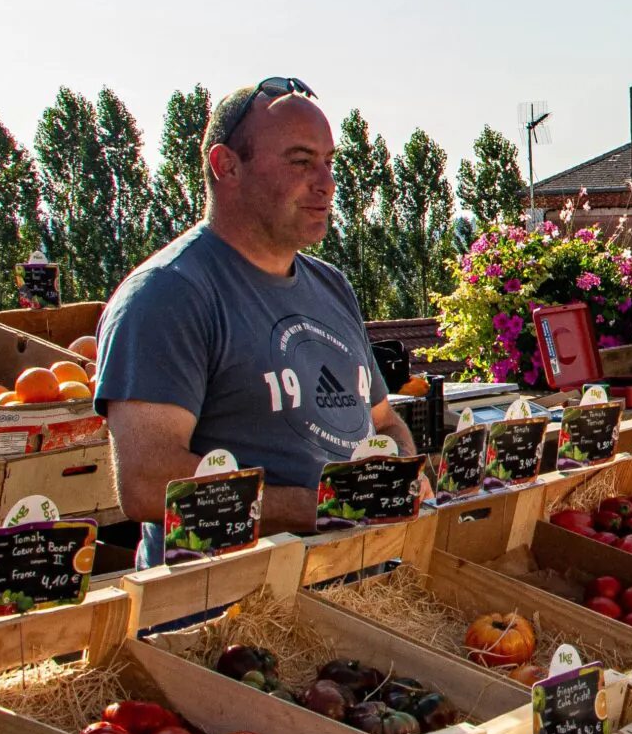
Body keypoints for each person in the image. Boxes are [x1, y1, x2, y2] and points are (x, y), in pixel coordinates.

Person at [96, 78, 420, 557]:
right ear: (226, 166)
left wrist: (402, 477)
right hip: (226, 611)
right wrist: (320, 508)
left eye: (329, 163)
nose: (327, 184)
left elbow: (383, 421)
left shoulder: (331, 285)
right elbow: (147, 482)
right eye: (300, 161)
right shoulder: (168, 294)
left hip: (350, 585)